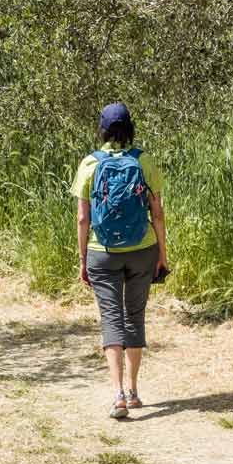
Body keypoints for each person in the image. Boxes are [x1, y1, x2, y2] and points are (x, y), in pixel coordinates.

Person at [70, 102, 169, 419]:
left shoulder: (89, 163)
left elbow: (83, 219)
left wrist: (83, 259)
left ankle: (117, 395)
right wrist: (162, 255)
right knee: (135, 317)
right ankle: (135, 391)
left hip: (102, 253)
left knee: (111, 319)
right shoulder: (144, 161)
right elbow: (158, 213)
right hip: (143, 249)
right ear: (130, 129)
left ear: (102, 129)